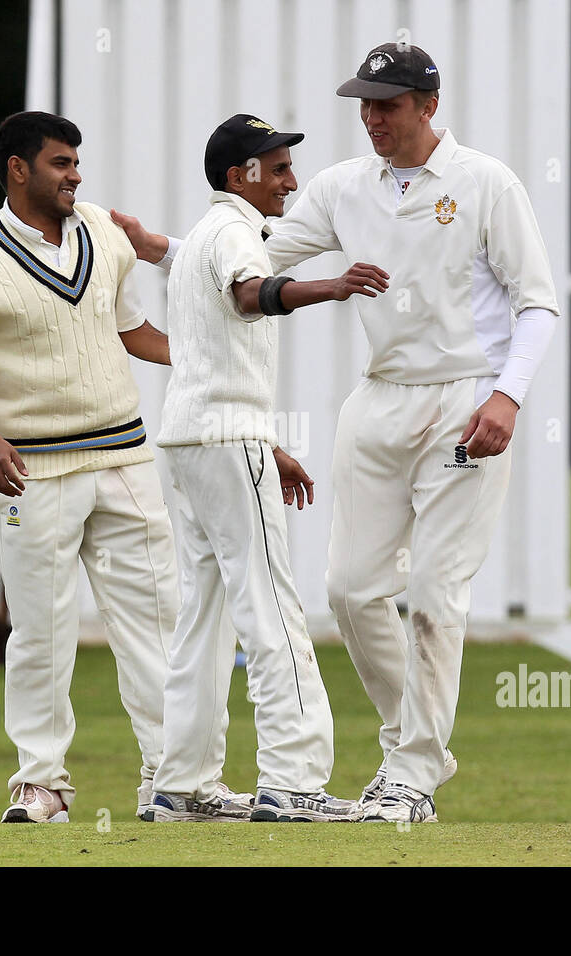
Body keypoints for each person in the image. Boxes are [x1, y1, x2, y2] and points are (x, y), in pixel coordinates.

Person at [113, 43, 560, 823]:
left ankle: (412, 773)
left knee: (434, 596)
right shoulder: (343, 187)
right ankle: (410, 743)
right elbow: (250, 267)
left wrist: (507, 397)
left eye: (387, 104)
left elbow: (537, 303)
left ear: (428, 104)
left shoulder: (487, 184)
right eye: (364, 103)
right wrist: (160, 248)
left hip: (465, 399)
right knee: (350, 590)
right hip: (379, 398)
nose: (372, 118)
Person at [0, 111, 250, 824]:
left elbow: (131, 328)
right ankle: (41, 784)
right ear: (18, 169)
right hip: (31, 468)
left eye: (76, 162)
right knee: (41, 629)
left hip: (124, 456)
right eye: (60, 163)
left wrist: (209, 361)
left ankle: (174, 782)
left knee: (159, 619)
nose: (75, 175)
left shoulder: (104, 233)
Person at [140, 115, 388, 823]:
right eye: (277, 167)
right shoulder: (234, 235)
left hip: (190, 442)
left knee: (205, 617)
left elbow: (211, 352)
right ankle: (294, 780)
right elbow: (252, 298)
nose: (290, 180)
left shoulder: (198, 245)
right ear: (239, 174)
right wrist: (332, 286)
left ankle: (182, 784)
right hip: (223, 440)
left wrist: (267, 444)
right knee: (272, 607)